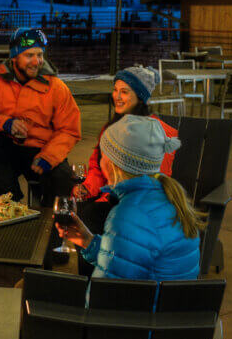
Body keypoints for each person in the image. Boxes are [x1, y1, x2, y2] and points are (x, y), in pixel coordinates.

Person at [60, 115, 202, 281]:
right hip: (170, 302)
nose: (100, 160)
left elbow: (102, 289)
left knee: (26, 285)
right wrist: (88, 242)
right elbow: (129, 263)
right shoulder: (169, 198)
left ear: (113, 165)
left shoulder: (126, 215)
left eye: (103, 154)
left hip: (140, 304)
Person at [69, 66, 179, 274]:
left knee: (88, 217)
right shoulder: (111, 126)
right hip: (110, 196)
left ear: (140, 96)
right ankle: (92, 276)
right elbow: (96, 166)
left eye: (124, 91)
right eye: (115, 89)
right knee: (76, 208)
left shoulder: (157, 133)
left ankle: (96, 280)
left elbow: (156, 178)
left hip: (136, 202)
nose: (117, 97)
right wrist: (87, 187)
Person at [0, 27, 81, 206]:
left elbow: (70, 130)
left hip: (41, 151)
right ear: (14, 56)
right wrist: (5, 123)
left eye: (39, 55)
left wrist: (49, 156)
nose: (36, 61)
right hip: (6, 149)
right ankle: (9, 202)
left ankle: (50, 224)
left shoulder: (56, 87)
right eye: (29, 55)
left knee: (63, 177)